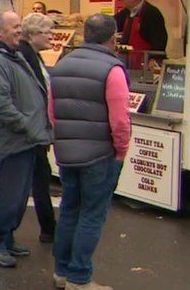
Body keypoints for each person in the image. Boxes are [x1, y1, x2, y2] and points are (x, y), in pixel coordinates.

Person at [50, 14, 131, 290]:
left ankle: (61, 271)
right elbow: (120, 119)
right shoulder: (113, 69)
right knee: (92, 214)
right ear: (114, 37)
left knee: (70, 210)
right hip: (99, 153)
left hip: (67, 152)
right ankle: (79, 277)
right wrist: (121, 150)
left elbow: (52, 112)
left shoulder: (61, 64)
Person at [0, 12, 52, 268]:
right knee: (10, 195)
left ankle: (6, 238)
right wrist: (28, 126)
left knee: (18, 196)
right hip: (15, 139)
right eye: (15, 27)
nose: (20, 31)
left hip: (27, 138)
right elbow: (0, 105)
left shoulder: (13, 55)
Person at [19, 13, 58, 243]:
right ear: (33, 34)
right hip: (32, 129)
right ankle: (48, 227)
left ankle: (49, 227)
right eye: (47, 32)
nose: (51, 37)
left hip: (36, 127)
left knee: (34, 179)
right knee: (36, 179)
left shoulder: (33, 56)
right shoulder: (26, 56)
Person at [114, 0, 168, 69]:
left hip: (145, 62)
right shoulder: (126, 12)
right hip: (127, 60)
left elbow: (160, 39)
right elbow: (112, 23)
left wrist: (154, 58)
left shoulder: (152, 13)